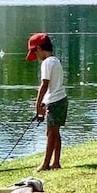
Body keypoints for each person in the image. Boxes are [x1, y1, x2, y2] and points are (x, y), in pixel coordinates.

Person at [26, 32, 68, 171]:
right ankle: (56, 162)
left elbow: (44, 85)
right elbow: (52, 86)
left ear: (39, 48)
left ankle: (46, 164)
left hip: (55, 102)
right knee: (54, 132)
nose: (36, 57)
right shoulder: (55, 60)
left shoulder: (46, 63)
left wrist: (38, 105)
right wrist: (44, 103)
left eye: (35, 52)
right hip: (61, 99)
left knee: (51, 133)